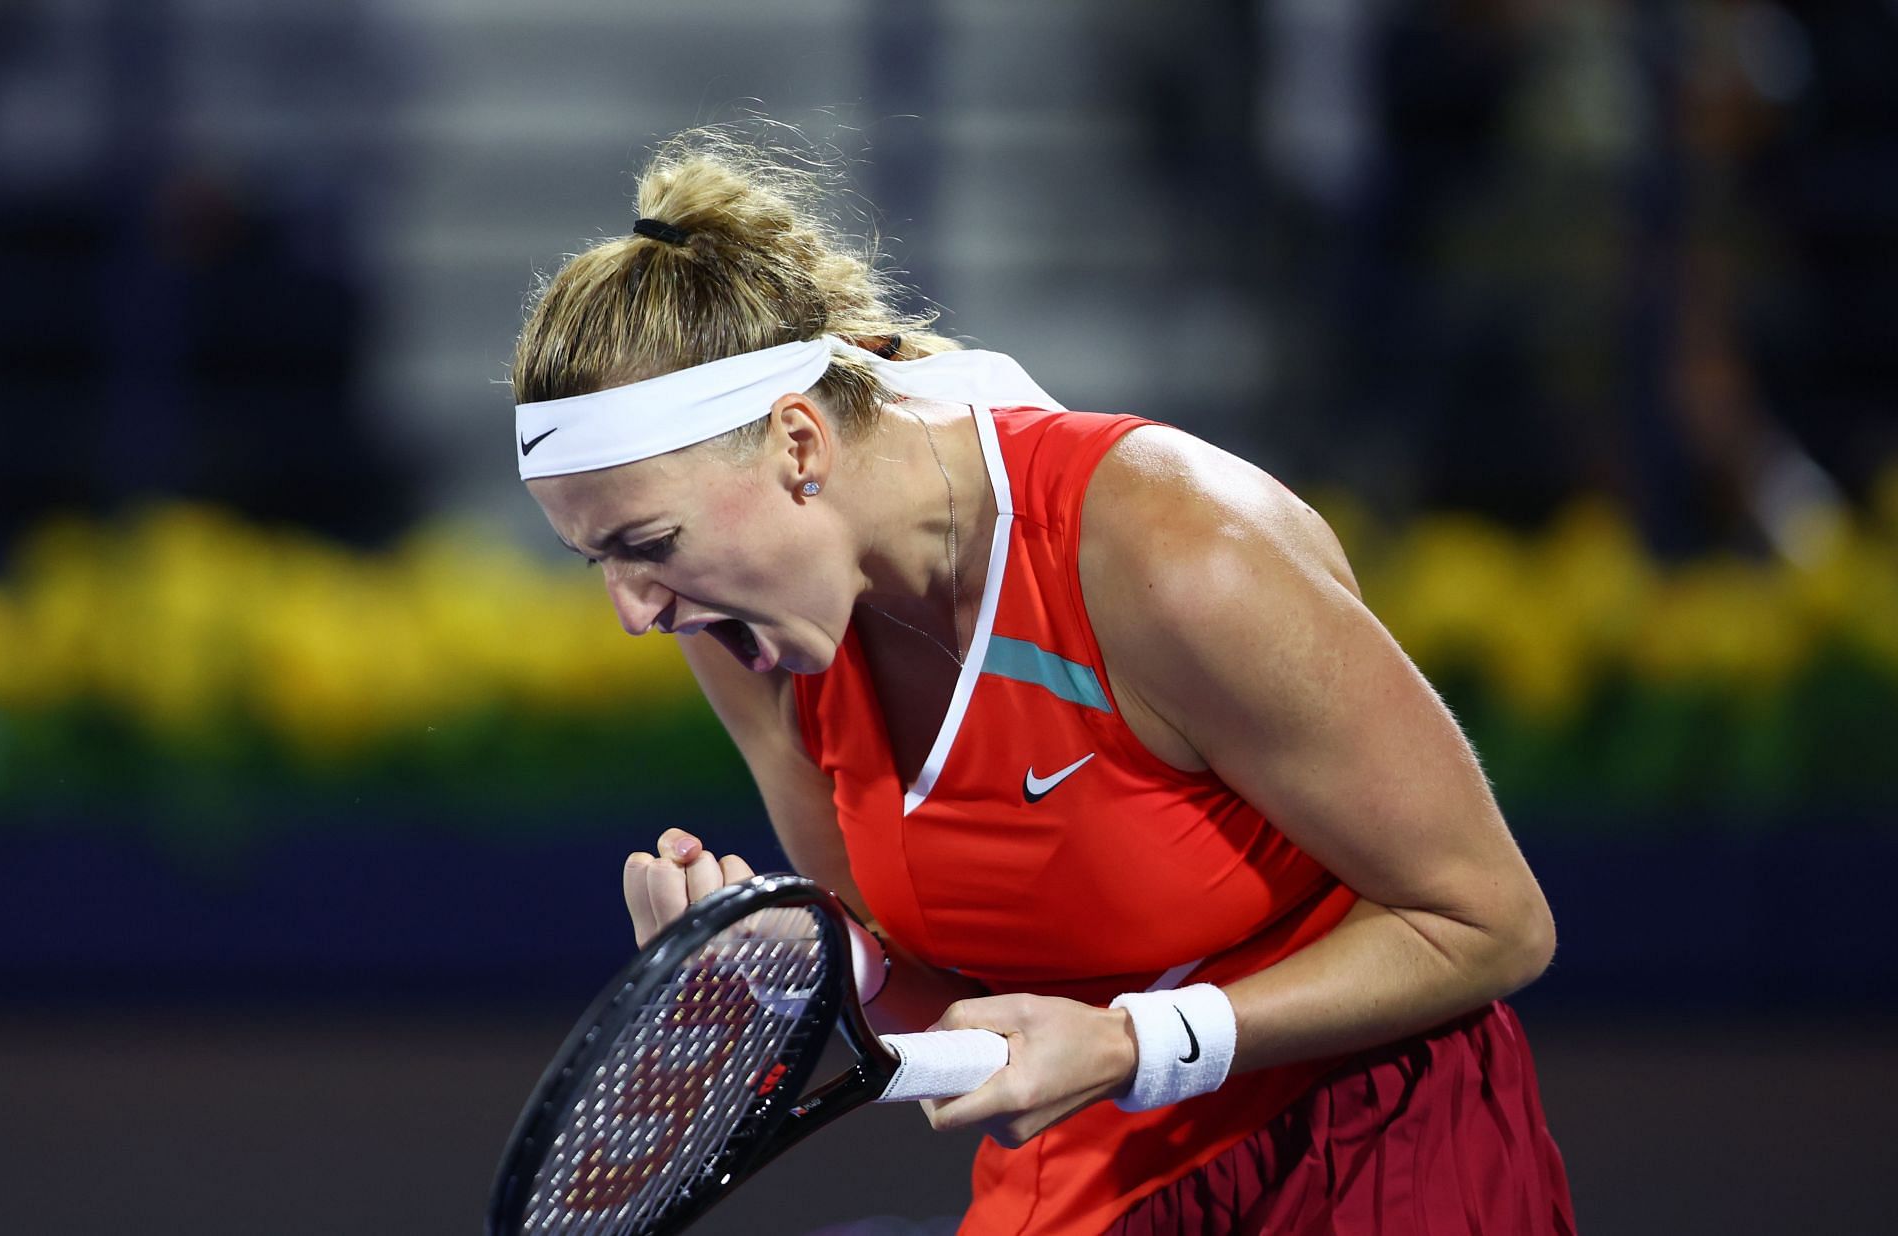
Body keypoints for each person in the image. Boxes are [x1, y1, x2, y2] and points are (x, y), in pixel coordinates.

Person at [510, 128, 1575, 1235]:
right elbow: (946, 997)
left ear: (796, 444)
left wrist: (1138, 1044)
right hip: (1082, 1189)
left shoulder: (1173, 551)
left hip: (1370, 1163)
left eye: (651, 544)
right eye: (602, 561)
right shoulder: (744, 632)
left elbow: (1490, 922)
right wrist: (823, 964)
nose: (634, 611)